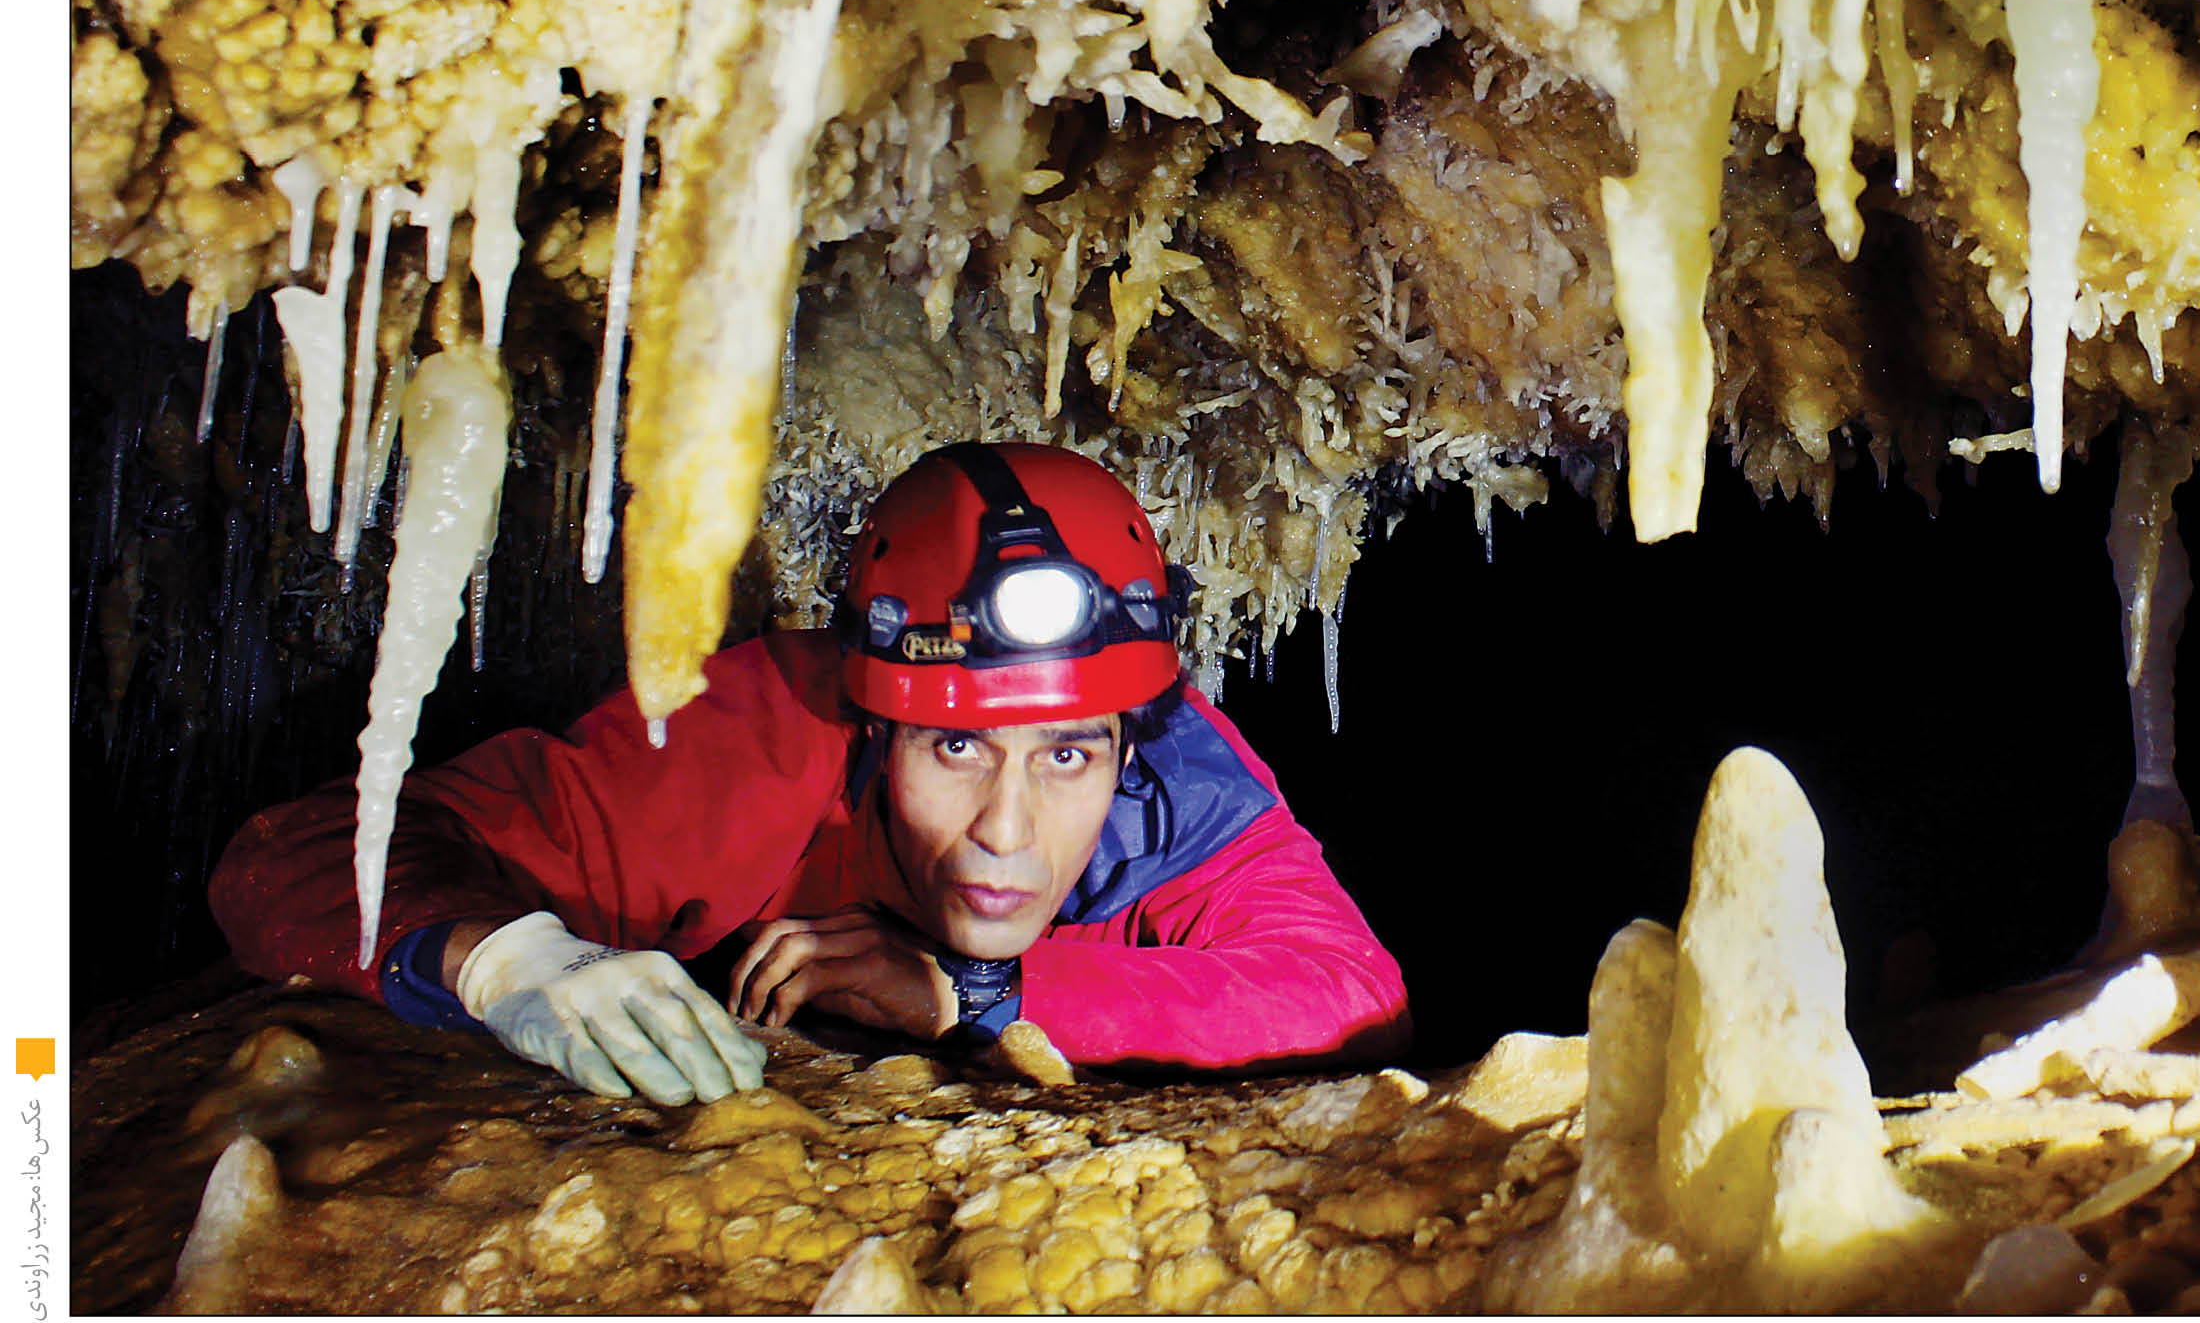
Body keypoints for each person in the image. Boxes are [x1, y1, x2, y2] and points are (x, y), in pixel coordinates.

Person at [210, 442, 1410, 1105]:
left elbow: (1345, 988)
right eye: (955, 746)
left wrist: (977, 992)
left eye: (1063, 752)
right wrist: (508, 957)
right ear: (878, 726)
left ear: (1125, 737)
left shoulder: (1177, 782)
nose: (1008, 828)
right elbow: (296, 855)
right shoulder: (764, 740)